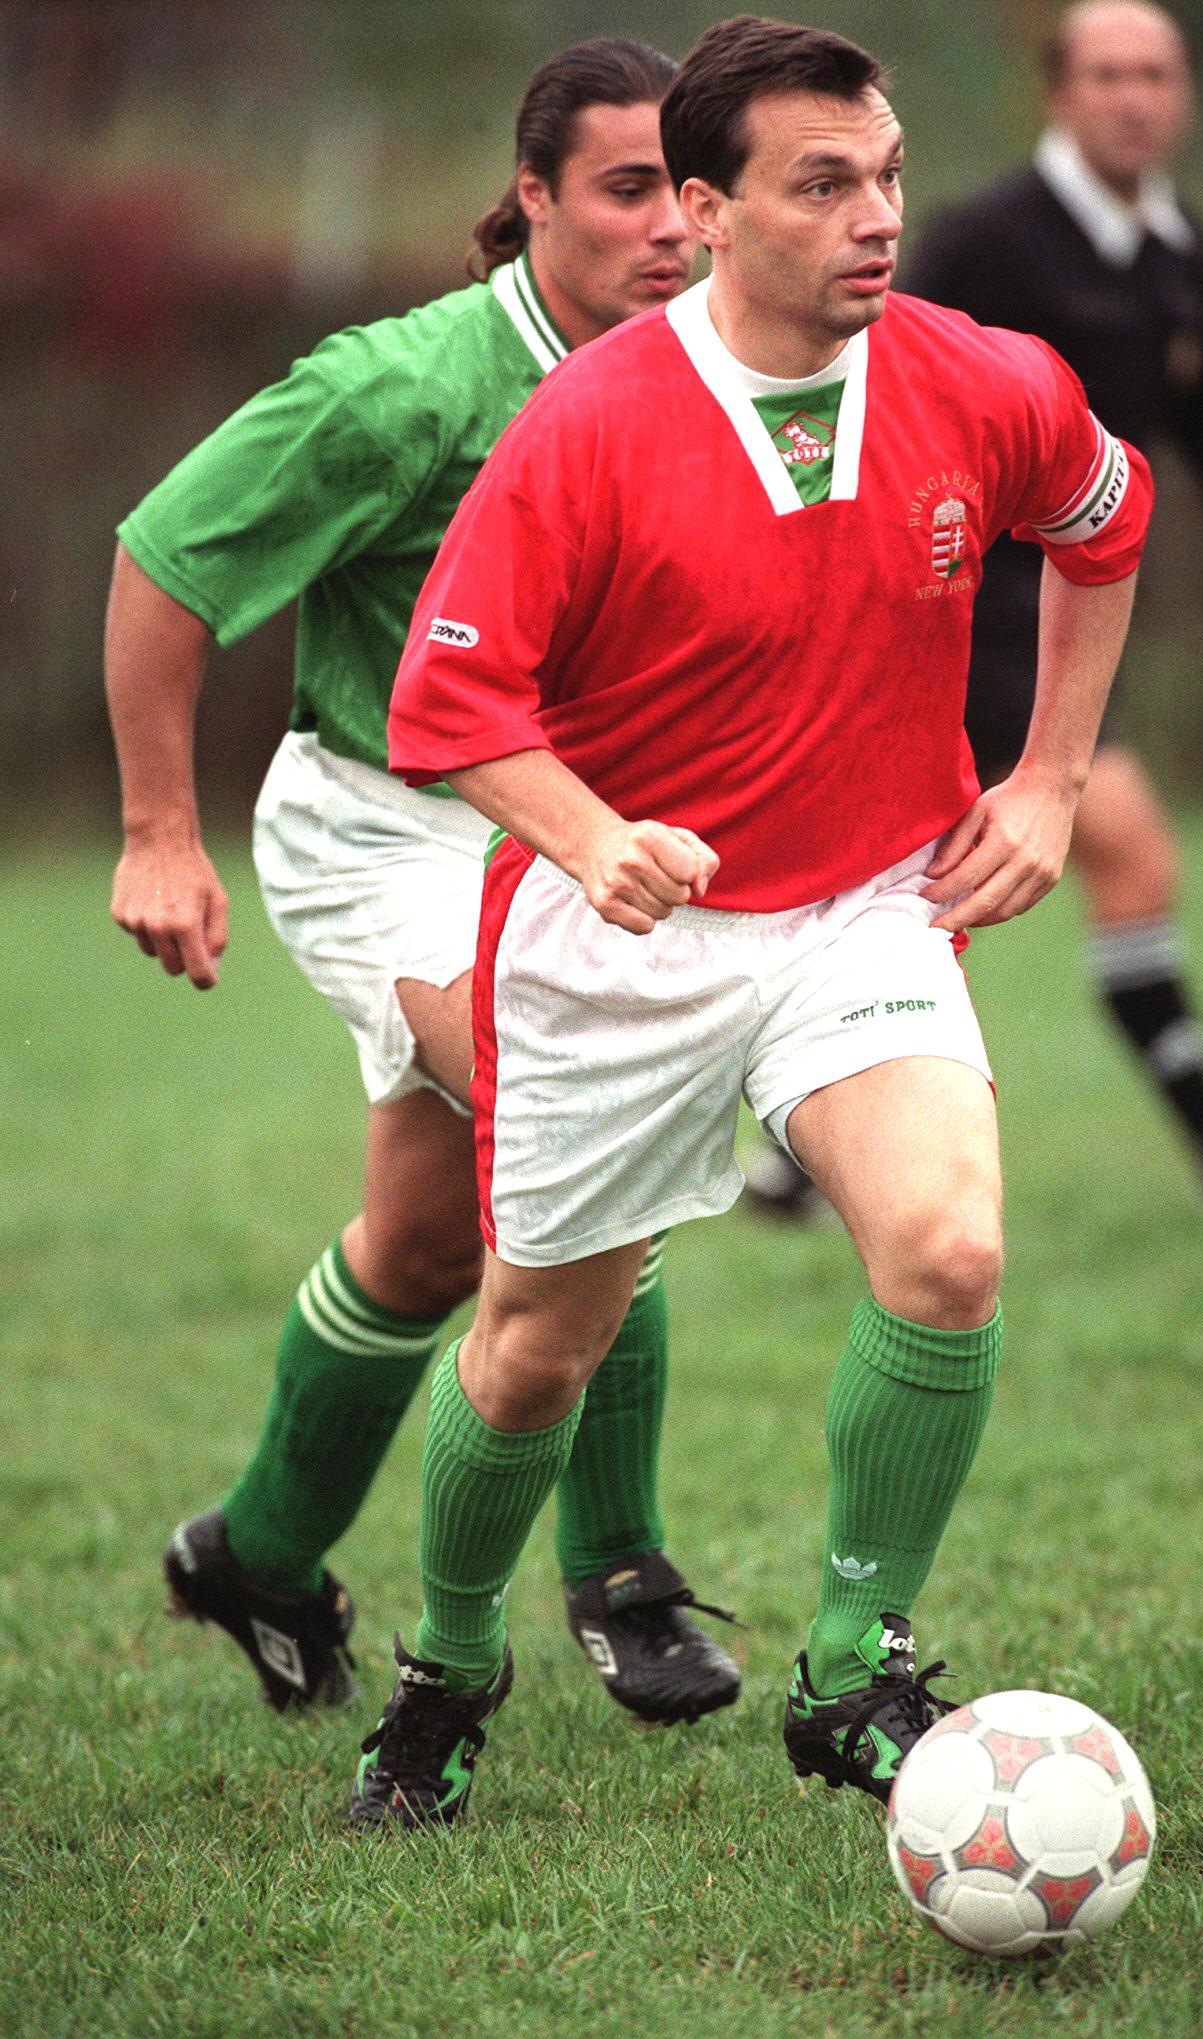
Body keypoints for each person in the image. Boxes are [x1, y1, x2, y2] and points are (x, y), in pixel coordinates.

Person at [348, 15, 1153, 1831]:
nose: (875, 217)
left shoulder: (978, 374)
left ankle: (851, 1659)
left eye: (886, 177)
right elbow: (447, 702)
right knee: (536, 1344)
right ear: (706, 212)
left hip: (866, 902)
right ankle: (447, 1660)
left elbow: (1107, 517)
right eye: (822, 185)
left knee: (947, 1250)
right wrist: (590, 832)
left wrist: (1043, 780)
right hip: (609, 942)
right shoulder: (592, 424)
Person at [105, 38, 741, 1729]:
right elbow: (165, 561)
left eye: (686, 193)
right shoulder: (401, 387)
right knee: (578, 1106)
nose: (667, 232)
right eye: (621, 191)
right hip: (383, 826)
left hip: (567, 821)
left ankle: (254, 1547)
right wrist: (159, 829)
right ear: (532, 196)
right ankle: (623, 1568)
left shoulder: (725, 376)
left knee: (427, 1234)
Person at [747, 0, 1203, 1222]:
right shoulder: (981, 239)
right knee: (1111, 847)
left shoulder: (1174, 249)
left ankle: (794, 1158)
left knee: (926, 869)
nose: (1135, 96)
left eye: (1156, 74)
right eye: (1109, 73)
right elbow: (854, 367)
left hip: (1076, 600)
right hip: (954, 592)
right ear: (1058, 95)